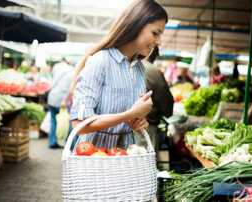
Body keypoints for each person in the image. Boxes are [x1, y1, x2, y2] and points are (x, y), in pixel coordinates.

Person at [70, 0, 168, 150]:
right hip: (94, 156)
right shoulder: (100, 61)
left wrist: (138, 121)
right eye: (155, 33)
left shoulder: (139, 69)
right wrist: (130, 114)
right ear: (136, 25)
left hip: (124, 157)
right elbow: (80, 124)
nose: (159, 41)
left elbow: (130, 118)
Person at [145, 47, 173, 152]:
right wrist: (168, 113)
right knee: (146, 161)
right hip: (146, 126)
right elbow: (166, 99)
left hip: (125, 124)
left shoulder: (130, 65)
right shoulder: (154, 71)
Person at [47, 58, 74, 149]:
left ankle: (52, 142)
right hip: (63, 99)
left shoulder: (55, 68)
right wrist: (66, 100)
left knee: (53, 120)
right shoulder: (71, 70)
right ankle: (69, 143)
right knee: (69, 121)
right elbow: (71, 88)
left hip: (52, 97)